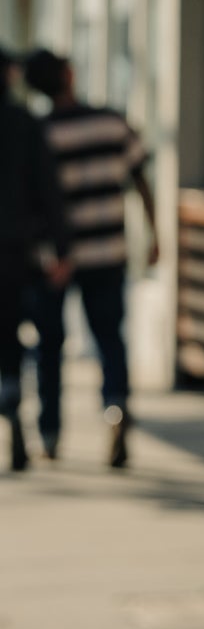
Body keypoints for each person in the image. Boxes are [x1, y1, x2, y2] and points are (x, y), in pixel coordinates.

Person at [22, 49, 156, 468]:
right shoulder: (111, 121)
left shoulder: (40, 133)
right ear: (68, 75)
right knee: (109, 337)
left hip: (56, 259)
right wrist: (155, 234)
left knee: (50, 345)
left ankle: (49, 431)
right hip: (108, 248)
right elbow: (140, 178)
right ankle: (115, 408)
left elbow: (34, 202)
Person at [1, 46, 69, 472]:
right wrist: (60, 248)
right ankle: (17, 420)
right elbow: (49, 192)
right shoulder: (24, 124)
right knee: (12, 338)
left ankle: (15, 417)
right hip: (13, 253)